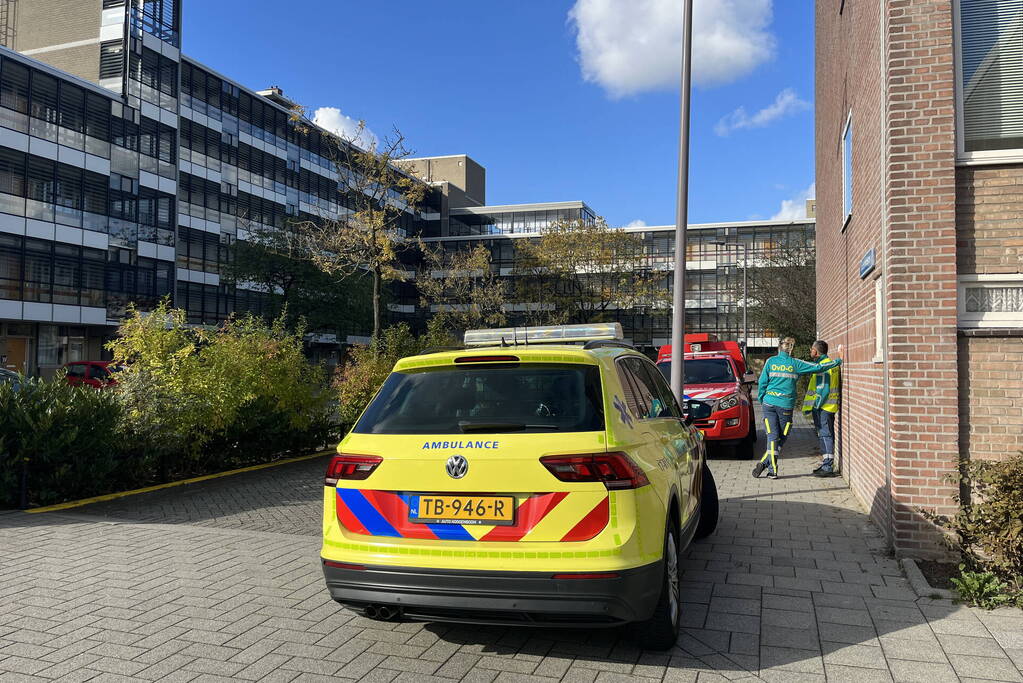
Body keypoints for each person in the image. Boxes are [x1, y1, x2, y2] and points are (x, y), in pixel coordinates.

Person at [753, 337, 843, 479]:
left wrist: (762, 399)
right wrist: (838, 361)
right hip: (785, 406)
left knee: (772, 436)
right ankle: (772, 469)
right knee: (781, 436)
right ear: (791, 349)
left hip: (768, 404)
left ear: (779, 348)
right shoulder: (796, 363)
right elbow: (819, 367)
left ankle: (766, 463)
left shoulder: (770, 361)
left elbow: (762, 382)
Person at [803, 340, 841, 477]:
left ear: (816, 351)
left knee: (825, 435)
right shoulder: (828, 364)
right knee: (825, 434)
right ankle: (826, 463)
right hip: (828, 406)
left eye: (811, 349)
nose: (810, 352)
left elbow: (822, 389)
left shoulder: (823, 366)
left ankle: (827, 467)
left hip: (824, 407)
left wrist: (816, 406)